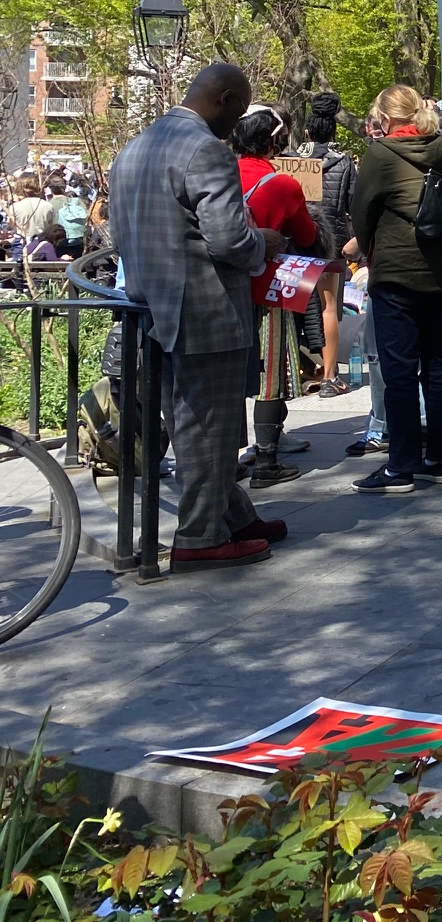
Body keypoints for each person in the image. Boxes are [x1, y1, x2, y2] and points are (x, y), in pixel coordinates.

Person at [109, 63, 288, 569]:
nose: (239, 120)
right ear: (226, 98)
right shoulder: (207, 148)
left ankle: (233, 516)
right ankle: (200, 537)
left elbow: (120, 235)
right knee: (208, 426)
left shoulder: (134, 148)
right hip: (205, 309)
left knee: (189, 421)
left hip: (150, 308)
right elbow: (230, 239)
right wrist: (264, 243)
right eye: (240, 107)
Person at [348, 84, 442, 495]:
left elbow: (362, 214)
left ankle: (400, 466)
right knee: (438, 363)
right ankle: (437, 460)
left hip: (398, 273)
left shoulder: (381, 154)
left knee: (399, 370)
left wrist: (369, 251)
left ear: (386, 119)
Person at [233, 105, 323, 486]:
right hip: (268, 287)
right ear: (275, 140)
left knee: (228, 374)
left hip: (223, 287)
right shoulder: (283, 184)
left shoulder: (218, 175)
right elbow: (307, 237)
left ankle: (227, 458)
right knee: (270, 371)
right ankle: (267, 458)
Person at [299, 93, 359, 397]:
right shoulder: (344, 162)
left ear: (307, 131)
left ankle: (295, 370)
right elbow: (354, 204)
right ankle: (330, 376)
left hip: (296, 240)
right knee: (329, 308)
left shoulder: (293, 159)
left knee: (292, 307)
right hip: (331, 239)